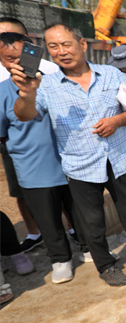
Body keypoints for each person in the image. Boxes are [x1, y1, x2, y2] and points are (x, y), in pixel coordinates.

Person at [10, 23, 126, 287]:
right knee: (91, 222)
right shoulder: (46, 86)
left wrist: (116, 121)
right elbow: (25, 115)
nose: (61, 51)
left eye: (66, 44)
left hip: (117, 158)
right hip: (79, 166)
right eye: (53, 46)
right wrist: (27, 93)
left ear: (81, 44)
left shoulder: (111, 75)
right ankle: (106, 265)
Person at [0, 31, 78, 282]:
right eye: (10, 58)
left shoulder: (56, 79)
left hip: (69, 161)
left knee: (79, 211)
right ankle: (60, 260)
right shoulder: (1, 92)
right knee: (47, 218)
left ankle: (88, 247)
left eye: (23, 55)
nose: (18, 62)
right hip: (32, 167)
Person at [0, 17, 59, 252]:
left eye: (11, 35)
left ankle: (74, 230)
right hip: (15, 142)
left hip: (53, 139)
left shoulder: (51, 69)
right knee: (22, 190)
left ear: (26, 39)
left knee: (63, 189)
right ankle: (35, 232)